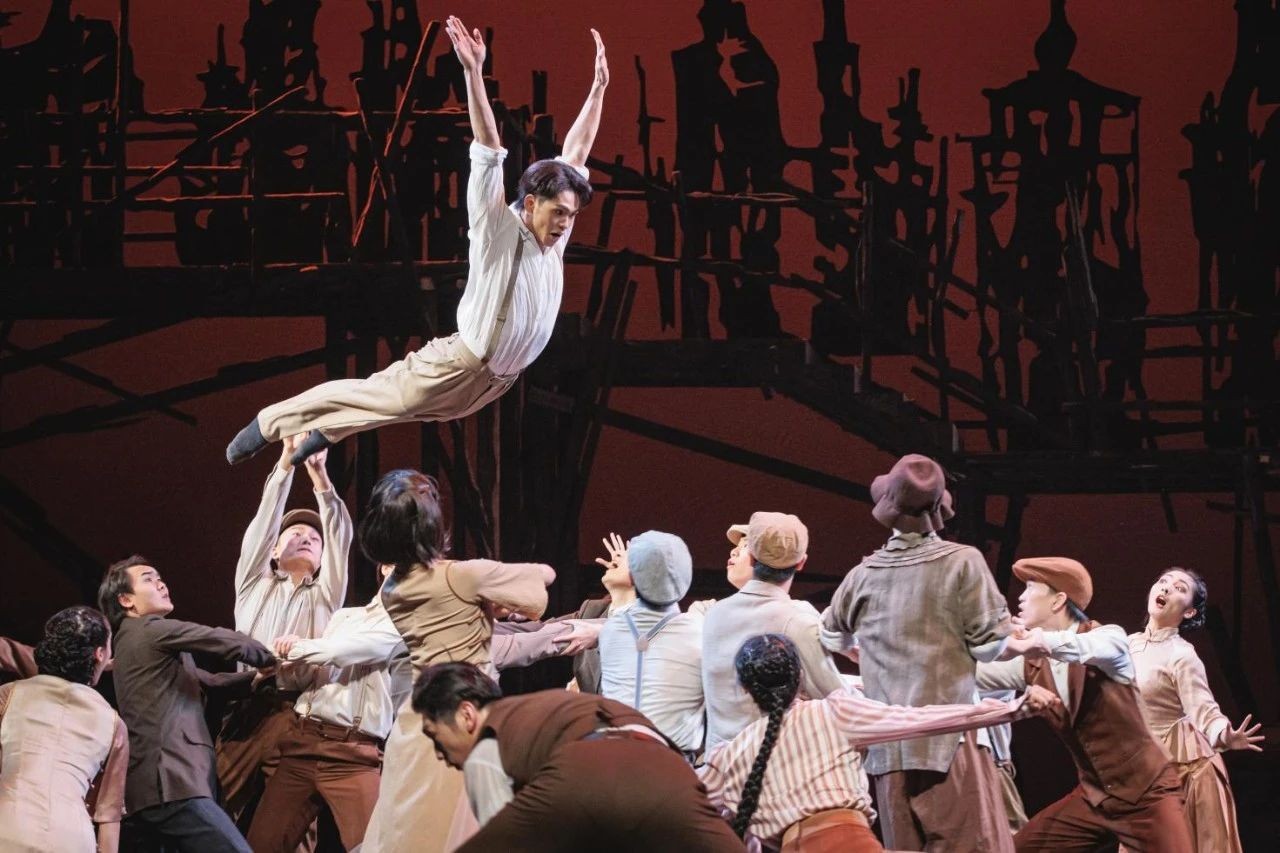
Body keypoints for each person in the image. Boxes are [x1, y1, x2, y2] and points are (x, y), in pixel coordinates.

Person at [227, 15, 610, 467]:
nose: (566, 224)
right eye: (559, 213)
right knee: (382, 395)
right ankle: (270, 421)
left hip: (494, 383)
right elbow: (489, 145)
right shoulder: (497, 226)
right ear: (530, 204)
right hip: (460, 365)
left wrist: (598, 89)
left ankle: (327, 431)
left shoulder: (554, 237)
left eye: (571, 215)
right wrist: (473, 72)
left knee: (404, 410)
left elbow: (576, 153)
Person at [246, 563, 598, 853]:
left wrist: (603, 624)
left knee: (387, 839)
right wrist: (288, 657)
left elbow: (538, 626)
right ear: (386, 569)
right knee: (264, 843)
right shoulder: (352, 617)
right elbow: (325, 662)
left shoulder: (424, 624)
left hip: (357, 751)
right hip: (307, 739)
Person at [700, 634, 1059, 852]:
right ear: (800, 677)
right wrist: (1011, 709)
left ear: (744, 689)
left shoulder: (730, 755)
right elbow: (920, 719)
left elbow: (688, 810)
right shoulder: (833, 712)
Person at [353, 469, 557, 853]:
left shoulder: (391, 589)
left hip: (417, 719)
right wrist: (491, 596)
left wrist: (485, 603)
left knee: (411, 825)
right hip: (465, 716)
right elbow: (543, 579)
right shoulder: (464, 575)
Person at [820, 453, 1015, 852]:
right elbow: (990, 647)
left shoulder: (862, 575)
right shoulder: (962, 563)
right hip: (951, 741)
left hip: (888, 751)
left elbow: (829, 637)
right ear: (939, 508)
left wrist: (862, 650)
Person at [975, 556, 1193, 852]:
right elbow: (970, 676)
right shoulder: (1031, 665)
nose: (1021, 598)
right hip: (1094, 800)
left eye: (1030, 589)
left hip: (1148, 797)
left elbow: (1086, 647)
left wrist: (1035, 641)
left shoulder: (1108, 639)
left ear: (1058, 601)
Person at [411, 662, 747, 852]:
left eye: (434, 735)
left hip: (590, 770)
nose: (439, 754)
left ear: (466, 714)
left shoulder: (486, 750)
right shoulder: (545, 705)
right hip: (665, 765)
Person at [217, 433, 351, 830]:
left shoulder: (327, 595)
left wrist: (320, 477)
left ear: (322, 559)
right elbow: (264, 522)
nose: (307, 539)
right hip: (249, 706)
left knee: (295, 829)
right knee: (214, 811)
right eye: (294, 535)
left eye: (314, 539)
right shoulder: (253, 585)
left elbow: (340, 535)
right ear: (274, 551)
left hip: (303, 714)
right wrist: (287, 462)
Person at [99, 556, 275, 852]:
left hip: (154, 792)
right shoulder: (149, 628)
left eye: (160, 577)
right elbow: (217, 638)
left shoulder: (133, 643)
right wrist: (271, 658)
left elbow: (208, 682)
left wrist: (257, 679)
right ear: (126, 600)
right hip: (172, 785)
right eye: (148, 579)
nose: (161, 584)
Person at [1127, 567, 1262, 852]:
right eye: (1163, 581)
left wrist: (1225, 735)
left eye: (1180, 588)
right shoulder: (1128, 644)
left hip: (1188, 771)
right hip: (1145, 770)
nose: (1166, 588)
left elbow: (1204, 709)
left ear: (1188, 612)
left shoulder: (1181, 654)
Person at [702, 512, 845, 752]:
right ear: (801, 563)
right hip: (772, 764)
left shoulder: (713, 614)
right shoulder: (797, 620)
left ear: (752, 558)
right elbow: (839, 701)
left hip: (718, 763)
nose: (734, 552)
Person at [0, 606, 127, 853]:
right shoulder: (113, 723)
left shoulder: (9, 695)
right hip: (73, 839)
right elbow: (109, 815)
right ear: (100, 654)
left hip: (10, 826)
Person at [598, 530, 706, 756]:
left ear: (632, 579)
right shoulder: (700, 631)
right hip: (674, 761)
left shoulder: (611, 628)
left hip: (614, 758)